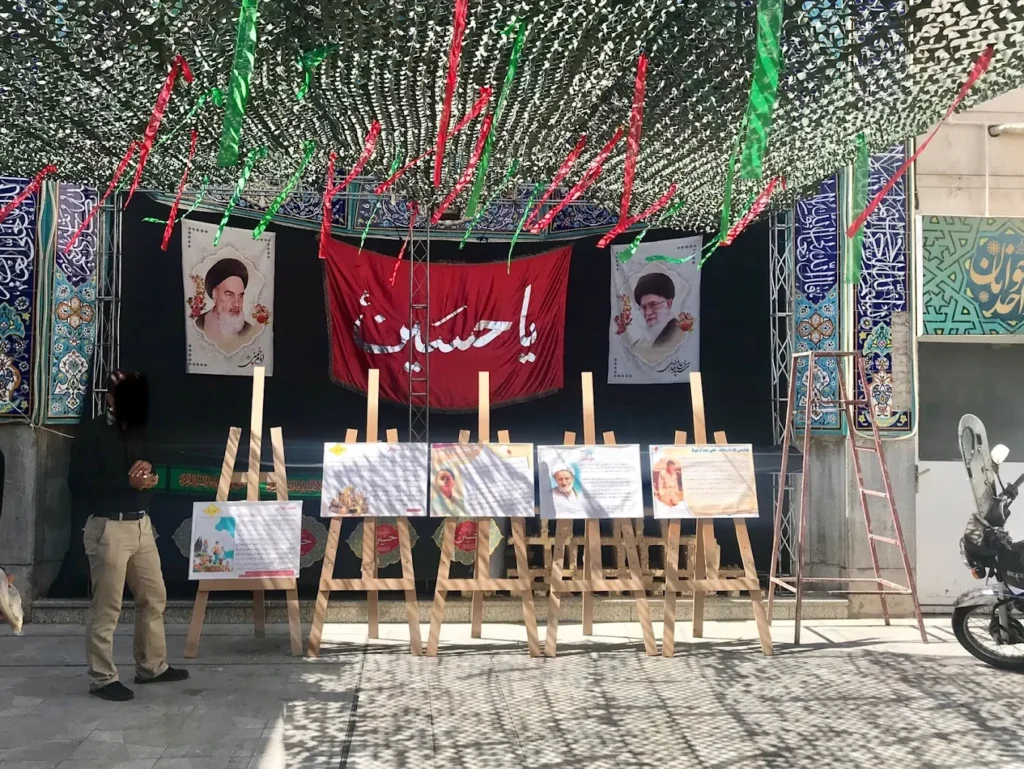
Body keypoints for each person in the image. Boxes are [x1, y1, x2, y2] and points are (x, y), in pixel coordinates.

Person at [68, 370, 188, 701]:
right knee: (108, 605)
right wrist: (127, 483)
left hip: (141, 525)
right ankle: (102, 678)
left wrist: (149, 472)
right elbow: (77, 483)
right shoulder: (92, 432)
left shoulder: (139, 429)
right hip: (108, 527)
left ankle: (152, 667)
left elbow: (153, 464)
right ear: (110, 399)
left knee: (154, 597)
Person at [195, 257, 260, 355]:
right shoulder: (198, 325)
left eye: (240, 296)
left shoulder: (248, 331)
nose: (237, 304)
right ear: (215, 295)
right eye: (230, 295)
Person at [632, 271, 687, 365]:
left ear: (668, 304)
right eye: (644, 307)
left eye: (653, 305)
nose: (648, 312)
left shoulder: (680, 336)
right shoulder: (638, 345)